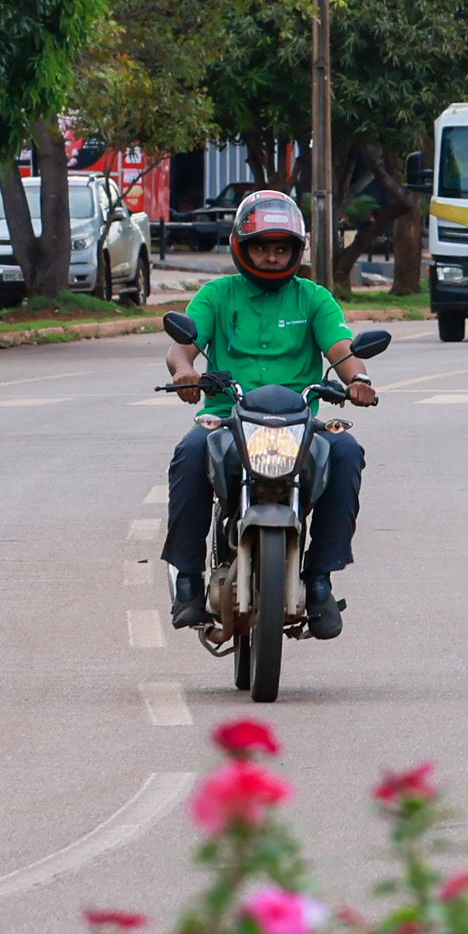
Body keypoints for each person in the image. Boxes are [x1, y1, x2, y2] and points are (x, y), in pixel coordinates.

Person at [160, 187, 370, 634]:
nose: (272, 257)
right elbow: (183, 348)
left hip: (301, 423)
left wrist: (357, 380)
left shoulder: (313, 298)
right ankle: (188, 580)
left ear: (296, 251)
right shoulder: (217, 295)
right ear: (240, 246)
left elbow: (342, 348)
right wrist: (183, 373)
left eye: (281, 249)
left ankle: (319, 579)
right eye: (261, 247)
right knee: (190, 452)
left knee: (347, 450)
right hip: (227, 418)